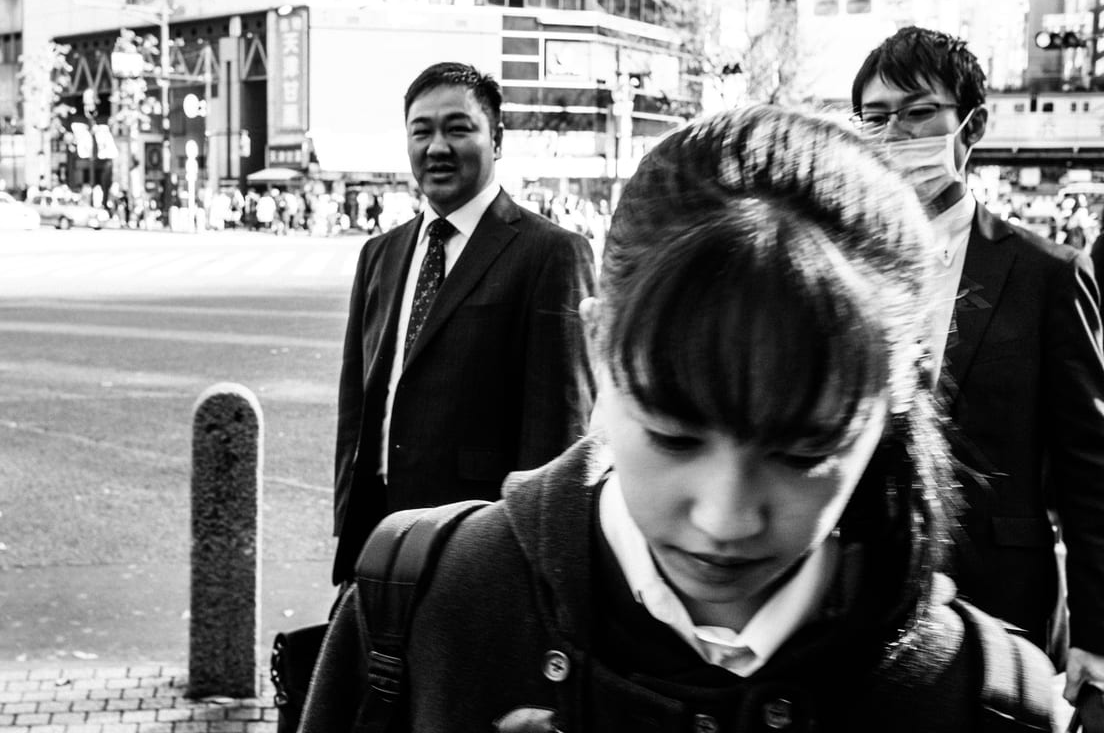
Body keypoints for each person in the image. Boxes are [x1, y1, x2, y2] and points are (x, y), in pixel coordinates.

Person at [302, 105, 1056, 732]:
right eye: (673, 435)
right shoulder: (421, 607)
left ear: (903, 392)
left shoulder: (993, 701)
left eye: (803, 452)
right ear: (598, 347)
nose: (726, 518)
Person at [852, 26, 1104, 711]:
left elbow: (1089, 467)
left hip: (1003, 601)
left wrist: (1098, 634)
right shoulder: (840, 266)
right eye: (876, 118)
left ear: (973, 124)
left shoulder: (1046, 273)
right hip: (862, 594)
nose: (896, 134)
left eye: (918, 112)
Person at [330, 61, 596, 586]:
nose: (437, 147)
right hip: (376, 531)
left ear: (496, 140)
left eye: (458, 129)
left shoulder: (551, 254)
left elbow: (560, 427)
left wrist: (529, 560)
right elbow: (357, 404)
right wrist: (348, 516)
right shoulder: (380, 255)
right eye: (421, 131)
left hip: (479, 539)